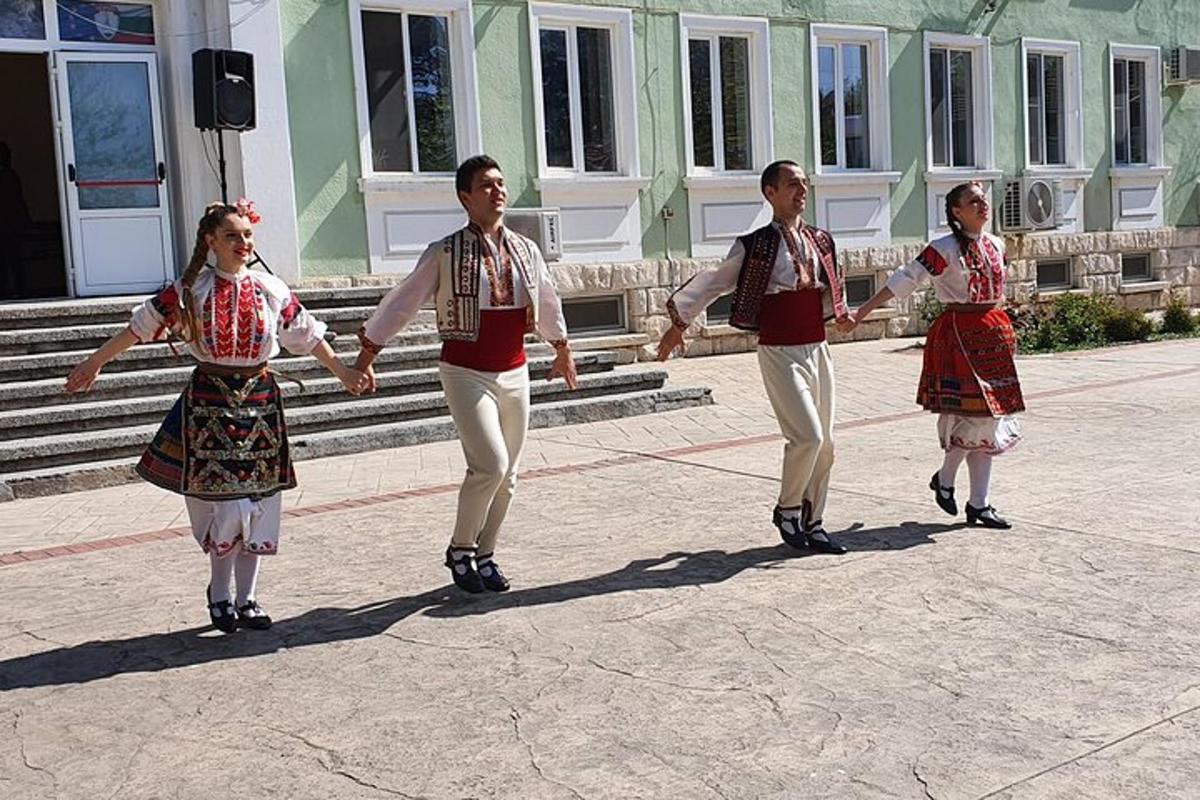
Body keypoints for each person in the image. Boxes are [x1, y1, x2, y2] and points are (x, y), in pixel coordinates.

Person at [65, 200, 368, 633]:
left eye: (247, 235)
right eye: (232, 236)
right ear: (211, 241)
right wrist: (93, 363)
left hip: (261, 403)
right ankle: (220, 593)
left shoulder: (270, 288)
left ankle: (248, 599)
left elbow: (305, 334)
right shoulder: (192, 290)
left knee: (260, 503)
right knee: (227, 506)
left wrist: (343, 373)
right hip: (211, 403)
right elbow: (138, 328)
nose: (243, 243)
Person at [353, 155, 577, 593]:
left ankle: (485, 553)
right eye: (485, 185)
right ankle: (460, 548)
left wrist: (562, 349)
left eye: (500, 183)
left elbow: (547, 301)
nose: (497, 191)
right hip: (465, 371)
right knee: (488, 464)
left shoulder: (526, 249)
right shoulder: (445, 251)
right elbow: (403, 303)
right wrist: (368, 354)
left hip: (514, 370)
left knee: (509, 474)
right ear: (465, 197)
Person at [656, 160, 854, 554]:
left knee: (827, 443)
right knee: (807, 436)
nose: (801, 191)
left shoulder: (820, 240)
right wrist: (680, 323)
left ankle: (814, 523)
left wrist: (842, 313)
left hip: (818, 347)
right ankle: (788, 509)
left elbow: (831, 284)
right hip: (779, 349)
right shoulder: (757, 244)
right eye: (792, 184)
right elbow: (717, 280)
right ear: (770, 193)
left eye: (804, 184)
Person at [847, 181, 1024, 528]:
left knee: (986, 420)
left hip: (992, 334)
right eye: (974, 201)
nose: (982, 205)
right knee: (976, 417)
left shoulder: (997, 244)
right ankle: (963, 492)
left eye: (983, 200)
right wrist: (862, 312)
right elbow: (906, 279)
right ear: (957, 212)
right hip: (960, 334)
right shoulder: (941, 249)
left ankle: (970, 498)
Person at [0, 142, 31, 299]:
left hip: (8, 225)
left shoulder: (8, 177)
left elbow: (16, 201)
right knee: (12, 259)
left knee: (10, 259)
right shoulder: (10, 176)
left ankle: (13, 290)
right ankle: (15, 289)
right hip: (11, 225)